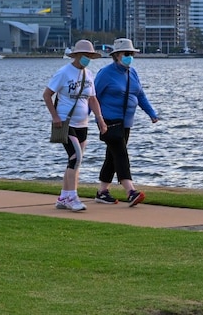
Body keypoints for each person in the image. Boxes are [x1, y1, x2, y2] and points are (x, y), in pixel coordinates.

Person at [94, 37, 159, 207]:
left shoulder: (132, 73)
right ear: (116, 55)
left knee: (112, 156)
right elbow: (93, 97)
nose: (129, 56)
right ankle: (130, 191)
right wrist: (91, 119)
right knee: (121, 154)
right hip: (108, 121)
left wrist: (151, 113)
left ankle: (102, 192)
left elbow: (140, 95)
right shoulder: (105, 73)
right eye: (126, 53)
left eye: (131, 53)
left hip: (126, 123)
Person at [43, 39, 107, 212]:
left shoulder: (89, 74)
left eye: (90, 56)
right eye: (85, 55)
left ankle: (64, 196)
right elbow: (47, 95)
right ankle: (72, 196)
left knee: (75, 161)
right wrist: (55, 116)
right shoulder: (64, 72)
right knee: (75, 158)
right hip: (65, 121)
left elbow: (92, 98)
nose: (87, 58)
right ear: (77, 55)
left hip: (82, 123)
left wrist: (100, 119)